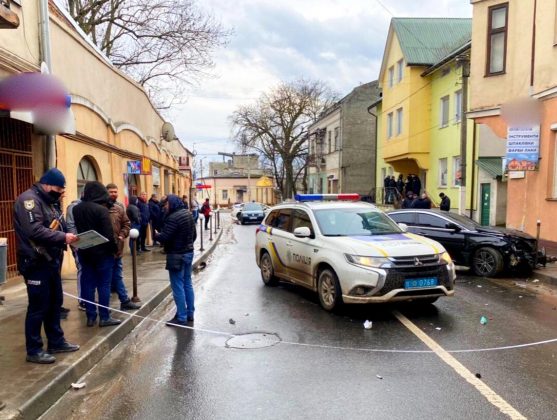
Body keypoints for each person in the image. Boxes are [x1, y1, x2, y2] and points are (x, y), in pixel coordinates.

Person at [13, 168, 80, 364]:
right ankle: (33, 350)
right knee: (38, 306)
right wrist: (63, 237)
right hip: (35, 262)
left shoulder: (50, 202)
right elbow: (34, 230)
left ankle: (56, 341)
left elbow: (59, 224)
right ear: (48, 184)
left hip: (51, 260)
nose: (61, 192)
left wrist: (72, 237)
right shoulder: (29, 201)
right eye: (59, 188)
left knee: (54, 303)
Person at [73, 181, 120, 328]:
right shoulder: (101, 210)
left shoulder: (77, 209)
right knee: (103, 285)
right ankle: (104, 317)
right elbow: (108, 235)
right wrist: (114, 250)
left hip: (85, 251)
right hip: (103, 254)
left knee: (87, 285)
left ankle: (90, 316)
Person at [155, 195, 197, 326]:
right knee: (187, 284)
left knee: (178, 287)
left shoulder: (173, 218)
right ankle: (190, 314)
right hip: (188, 253)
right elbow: (194, 235)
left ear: (172, 203)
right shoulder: (187, 213)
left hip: (176, 256)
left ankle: (181, 317)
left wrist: (156, 235)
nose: (165, 207)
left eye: (166, 204)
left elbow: (165, 237)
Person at [106, 184, 141, 311]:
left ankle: (124, 301)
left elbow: (126, 224)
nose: (114, 194)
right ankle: (105, 306)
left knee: (118, 275)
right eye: (111, 192)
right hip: (105, 250)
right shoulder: (101, 207)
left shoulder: (119, 207)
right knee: (105, 279)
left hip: (118, 249)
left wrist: (122, 235)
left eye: (115, 191)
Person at [65, 196, 85, 311]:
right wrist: (75, 244)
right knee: (82, 269)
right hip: (79, 244)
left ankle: (87, 298)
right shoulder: (73, 207)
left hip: (87, 244)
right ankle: (82, 300)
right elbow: (70, 226)